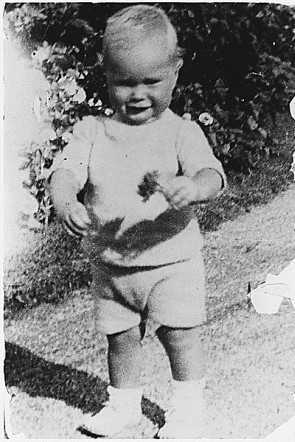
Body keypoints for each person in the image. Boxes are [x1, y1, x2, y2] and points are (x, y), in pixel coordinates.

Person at [49, 5, 226, 439]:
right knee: (120, 338)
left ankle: (188, 410)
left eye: (152, 81)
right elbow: (65, 170)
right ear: (105, 74)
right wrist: (63, 199)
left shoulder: (181, 131)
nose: (138, 94)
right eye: (124, 82)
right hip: (111, 267)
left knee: (179, 337)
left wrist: (194, 188)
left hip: (173, 262)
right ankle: (123, 406)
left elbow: (212, 174)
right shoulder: (91, 130)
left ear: (176, 72)